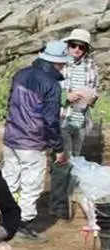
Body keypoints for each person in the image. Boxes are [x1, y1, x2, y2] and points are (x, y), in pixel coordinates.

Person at [1, 40, 71, 243]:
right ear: (57, 63)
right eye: (63, 64)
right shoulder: (51, 85)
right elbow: (51, 120)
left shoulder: (20, 74)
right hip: (32, 142)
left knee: (9, 180)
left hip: (11, 137)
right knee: (31, 185)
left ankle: (4, 220)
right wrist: (58, 148)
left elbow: (9, 103)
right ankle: (22, 225)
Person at [50, 29, 101, 221]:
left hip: (81, 120)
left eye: (81, 47)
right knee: (61, 162)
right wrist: (66, 97)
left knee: (75, 162)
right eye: (74, 45)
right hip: (62, 119)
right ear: (68, 45)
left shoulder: (91, 66)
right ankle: (57, 205)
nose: (77, 50)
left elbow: (95, 90)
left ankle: (68, 201)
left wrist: (92, 98)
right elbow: (49, 92)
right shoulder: (59, 64)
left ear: (86, 49)